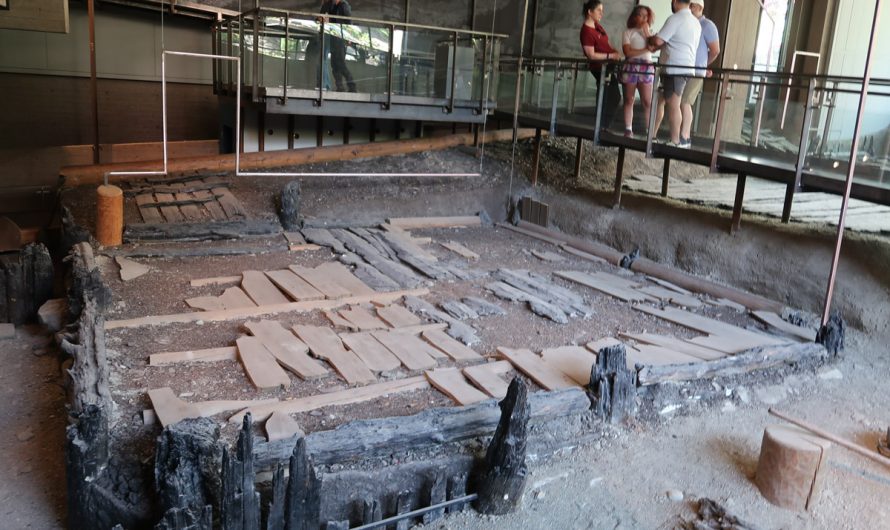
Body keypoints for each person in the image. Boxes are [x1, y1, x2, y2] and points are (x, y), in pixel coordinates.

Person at [648, 0, 701, 146]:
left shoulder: (676, 18)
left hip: (675, 68)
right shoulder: (695, 22)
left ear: (675, 1)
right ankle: (674, 139)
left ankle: (676, 140)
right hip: (688, 67)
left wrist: (650, 37)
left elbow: (658, 41)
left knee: (673, 104)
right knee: (672, 103)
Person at [679, 0, 720, 146]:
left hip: (696, 71)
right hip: (684, 68)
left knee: (685, 101)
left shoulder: (707, 25)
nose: (688, 8)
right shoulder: (688, 23)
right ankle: (680, 136)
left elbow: (715, 50)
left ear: (698, 7)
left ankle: (685, 136)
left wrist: (703, 65)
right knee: (680, 101)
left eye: (690, 6)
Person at [580, 0, 622, 130]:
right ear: (590, 12)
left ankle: (603, 125)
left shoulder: (598, 26)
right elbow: (591, 55)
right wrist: (610, 56)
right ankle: (602, 125)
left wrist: (614, 52)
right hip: (600, 67)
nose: (601, 13)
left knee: (610, 95)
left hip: (609, 65)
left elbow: (606, 44)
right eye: (598, 10)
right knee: (611, 96)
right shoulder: (586, 31)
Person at [621, 5, 655, 137]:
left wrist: (646, 32)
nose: (644, 18)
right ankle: (628, 128)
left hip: (646, 67)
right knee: (629, 99)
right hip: (631, 66)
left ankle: (649, 131)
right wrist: (646, 50)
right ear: (635, 16)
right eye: (641, 15)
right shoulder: (628, 32)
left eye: (646, 15)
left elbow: (653, 46)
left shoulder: (650, 32)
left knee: (647, 101)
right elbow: (627, 52)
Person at [321, 0, 357, 92]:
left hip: (341, 37)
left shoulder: (343, 5)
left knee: (340, 63)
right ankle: (340, 86)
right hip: (333, 37)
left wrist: (349, 38)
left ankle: (352, 86)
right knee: (334, 64)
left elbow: (349, 22)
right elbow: (320, 16)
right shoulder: (329, 5)